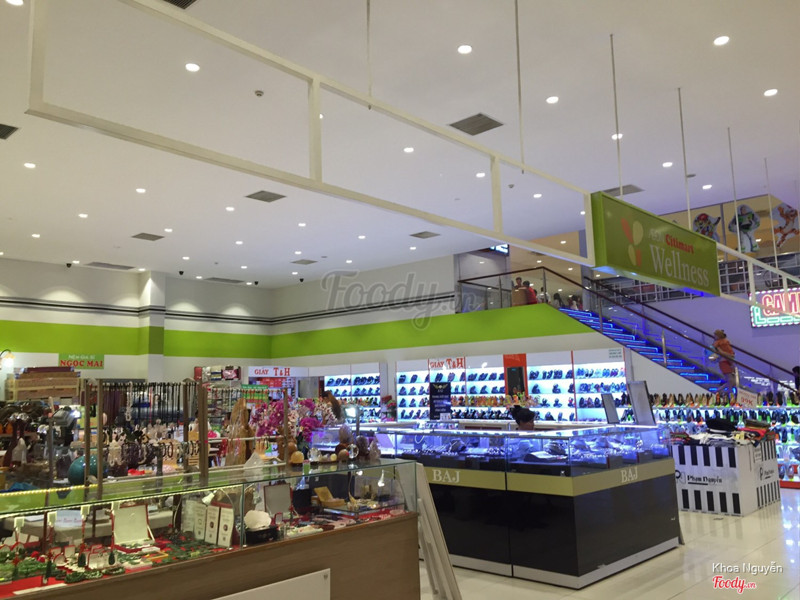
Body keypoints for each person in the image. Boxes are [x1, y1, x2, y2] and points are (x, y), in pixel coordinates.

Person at [711, 329, 736, 395]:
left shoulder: (722, 342)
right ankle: (728, 393)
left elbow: (725, 352)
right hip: (725, 361)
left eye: (715, 335)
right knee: (730, 380)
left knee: (732, 381)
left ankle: (719, 391)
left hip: (728, 360)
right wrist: (730, 355)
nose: (714, 336)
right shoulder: (718, 344)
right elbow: (722, 353)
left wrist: (730, 355)